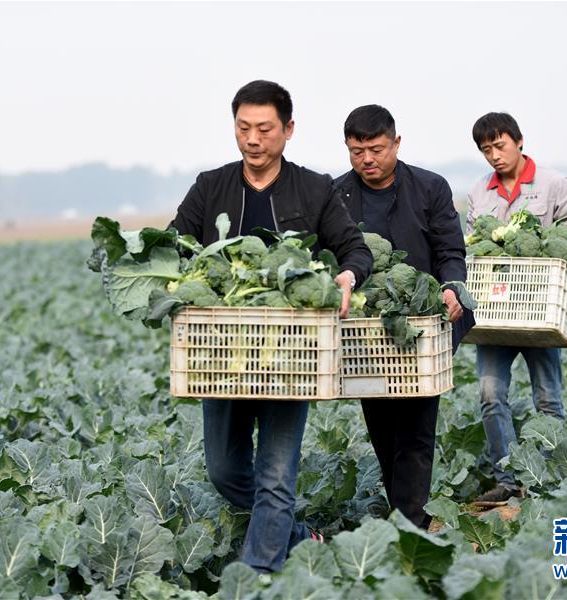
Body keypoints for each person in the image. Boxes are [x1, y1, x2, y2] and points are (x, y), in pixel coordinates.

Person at [170, 80, 373, 573]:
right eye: (244, 128)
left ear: (288, 130)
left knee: (277, 476)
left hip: (291, 353)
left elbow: (356, 249)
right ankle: (299, 535)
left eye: (264, 129)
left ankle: (257, 578)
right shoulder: (210, 186)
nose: (253, 140)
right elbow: (174, 246)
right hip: (221, 353)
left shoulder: (314, 188)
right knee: (223, 471)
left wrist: (347, 277)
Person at [333, 105, 474, 529]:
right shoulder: (336, 194)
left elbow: (451, 250)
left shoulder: (430, 188)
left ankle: (410, 520)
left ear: (396, 143)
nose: (367, 160)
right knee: (380, 423)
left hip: (422, 322)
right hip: (366, 327)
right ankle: (404, 511)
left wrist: (451, 286)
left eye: (376, 149)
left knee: (415, 424)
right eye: (357, 152)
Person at [466, 112, 567, 506]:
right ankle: (507, 479)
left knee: (548, 398)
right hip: (495, 310)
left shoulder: (554, 184)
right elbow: (472, 241)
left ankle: (549, 476)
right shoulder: (479, 192)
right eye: (486, 149)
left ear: (519, 141)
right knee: (490, 394)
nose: (494, 155)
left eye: (499, 145)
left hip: (540, 308)